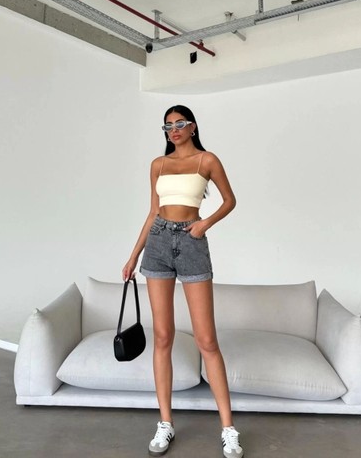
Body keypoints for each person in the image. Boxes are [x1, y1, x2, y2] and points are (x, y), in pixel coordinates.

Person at [122, 105, 244, 458]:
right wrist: (133, 256)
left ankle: (228, 429)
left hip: (192, 242)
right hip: (158, 243)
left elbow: (230, 200)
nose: (173, 130)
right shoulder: (158, 165)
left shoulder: (207, 160)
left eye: (180, 124)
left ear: (193, 127)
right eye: (168, 126)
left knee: (207, 340)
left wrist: (204, 224)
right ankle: (165, 422)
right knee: (163, 336)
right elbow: (152, 212)